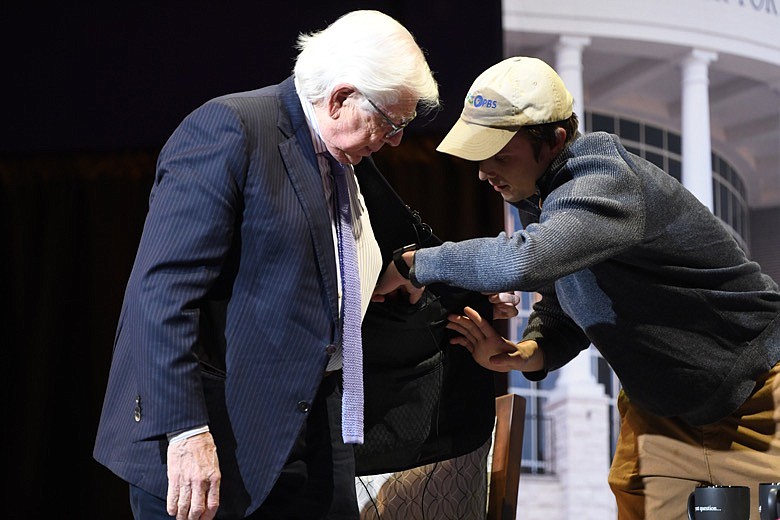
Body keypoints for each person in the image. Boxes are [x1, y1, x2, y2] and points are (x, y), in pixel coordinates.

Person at [373, 56, 780, 520]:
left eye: (500, 156)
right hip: (662, 414)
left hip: (757, 397)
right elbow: (563, 303)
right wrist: (529, 352)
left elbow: (525, 260)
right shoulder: (541, 196)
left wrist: (414, 264)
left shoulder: (606, 178)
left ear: (555, 142)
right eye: (479, 156)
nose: (484, 172)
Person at [94, 10, 441, 520]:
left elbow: (341, 268)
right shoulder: (232, 128)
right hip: (218, 436)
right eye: (391, 123)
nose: (395, 141)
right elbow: (160, 293)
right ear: (342, 97)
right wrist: (186, 432)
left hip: (316, 428)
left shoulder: (346, 160)